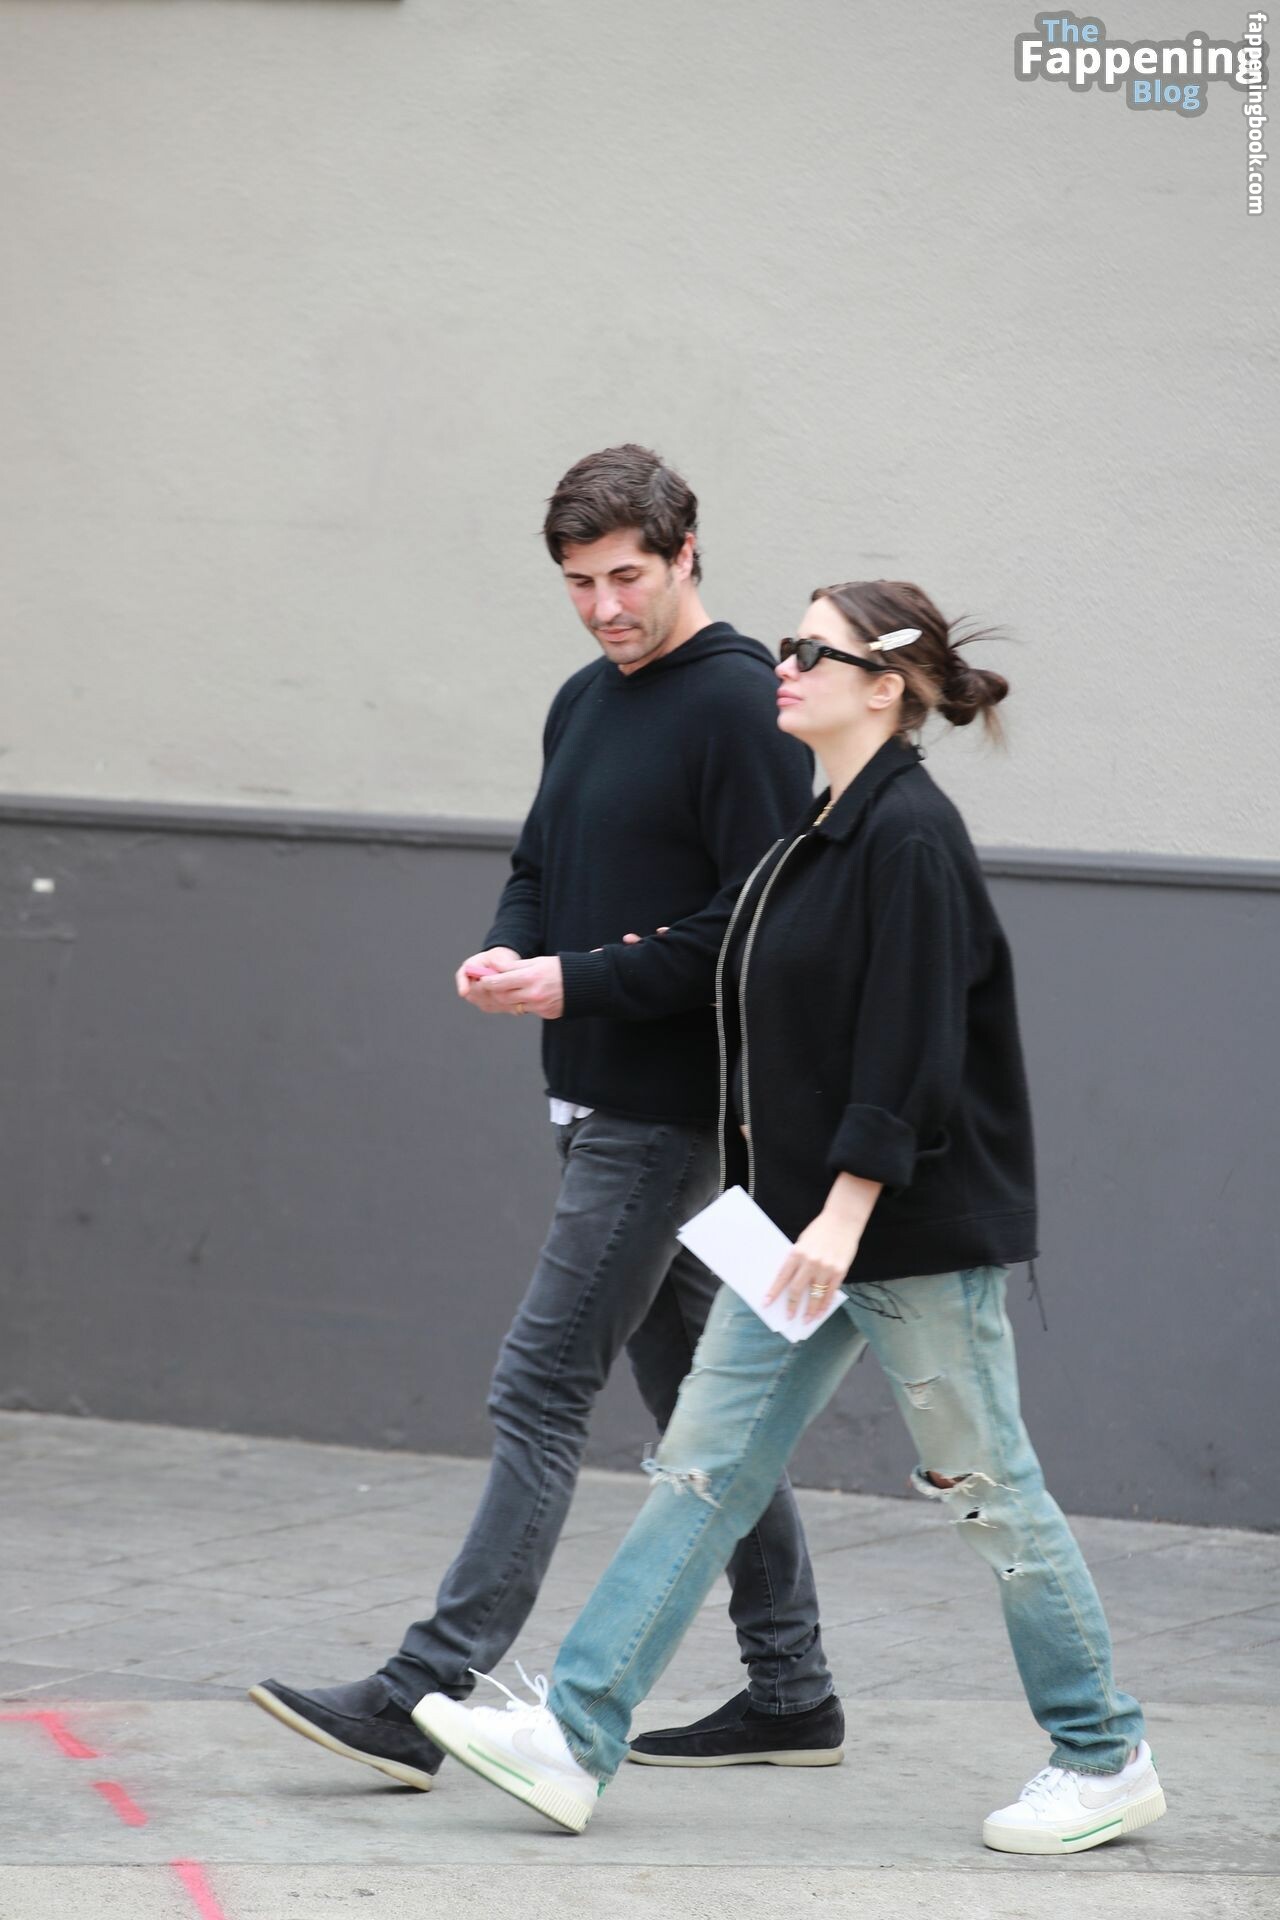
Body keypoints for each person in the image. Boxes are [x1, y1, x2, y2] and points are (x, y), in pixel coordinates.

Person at [412, 577, 1167, 1857]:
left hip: (897, 1238)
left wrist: (845, 1210)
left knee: (987, 1490)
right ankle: (576, 1736)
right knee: (701, 1470)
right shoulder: (814, 829)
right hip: (797, 1228)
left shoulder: (907, 837)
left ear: (884, 685)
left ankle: (1101, 1754)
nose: (787, 664)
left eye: (814, 650)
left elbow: (910, 1046)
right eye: (786, 644)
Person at [249, 446, 848, 1787]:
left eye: (626, 577)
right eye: (578, 584)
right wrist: (507, 948)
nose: (603, 609)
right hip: (587, 1094)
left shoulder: (743, 706)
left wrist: (576, 980)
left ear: (686, 553)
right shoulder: (584, 699)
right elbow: (538, 863)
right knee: (703, 1408)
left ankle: (420, 1690)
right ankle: (792, 1688)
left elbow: (755, 931)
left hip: (666, 1111)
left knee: (537, 1386)